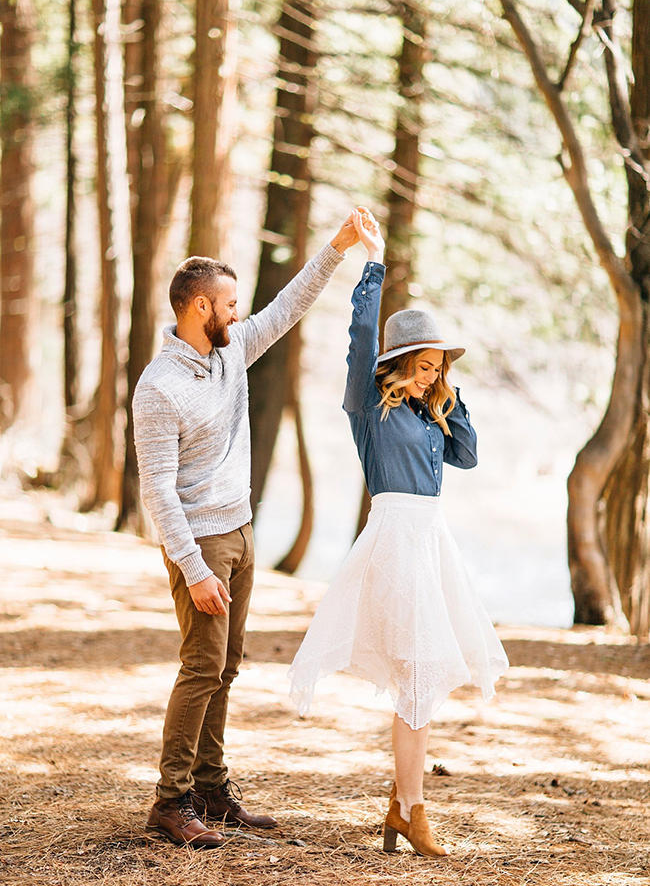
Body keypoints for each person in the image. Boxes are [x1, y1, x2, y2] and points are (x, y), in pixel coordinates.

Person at [133, 213, 359, 848]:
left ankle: (209, 787)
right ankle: (170, 801)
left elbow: (288, 307)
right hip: (200, 545)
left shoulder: (230, 356)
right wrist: (194, 569)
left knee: (227, 664)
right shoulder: (159, 388)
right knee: (201, 665)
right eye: (229, 305)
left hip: (241, 531)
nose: (238, 314)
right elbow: (156, 490)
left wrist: (335, 251)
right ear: (199, 306)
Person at [288, 209, 509, 858]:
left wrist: (448, 395)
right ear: (399, 362)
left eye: (438, 365)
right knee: (415, 676)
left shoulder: (429, 410)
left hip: (432, 543)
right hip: (393, 542)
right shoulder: (370, 409)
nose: (430, 374)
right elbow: (360, 337)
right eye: (423, 365)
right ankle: (412, 809)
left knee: (422, 681)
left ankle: (404, 804)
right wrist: (373, 265)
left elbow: (466, 455)